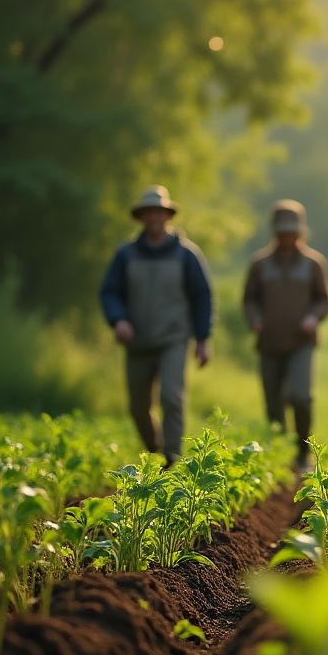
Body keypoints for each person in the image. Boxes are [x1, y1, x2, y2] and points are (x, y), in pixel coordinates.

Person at [100, 185, 213, 465]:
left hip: (173, 338)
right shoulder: (125, 255)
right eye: (149, 213)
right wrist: (118, 320)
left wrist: (202, 339)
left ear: (168, 216)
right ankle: (155, 453)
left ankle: (172, 459)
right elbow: (110, 292)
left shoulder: (187, 255)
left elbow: (202, 297)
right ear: (141, 217)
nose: (154, 217)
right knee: (138, 407)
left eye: (159, 212)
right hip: (136, 339)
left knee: (172, 397)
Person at [242, 199, 328, 466]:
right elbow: (249, 299)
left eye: (292, 232)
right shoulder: (260, 264)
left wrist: (313, 318)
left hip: (301, 342)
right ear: (275, 233)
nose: (288, 238)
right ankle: (279, 454)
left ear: (301, 232)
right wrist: (255, 319)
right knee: (273, 403)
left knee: (301, 397)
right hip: (269, 343)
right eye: (283, 233)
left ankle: (303, 453)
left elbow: (324, 300)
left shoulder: (314, 264)